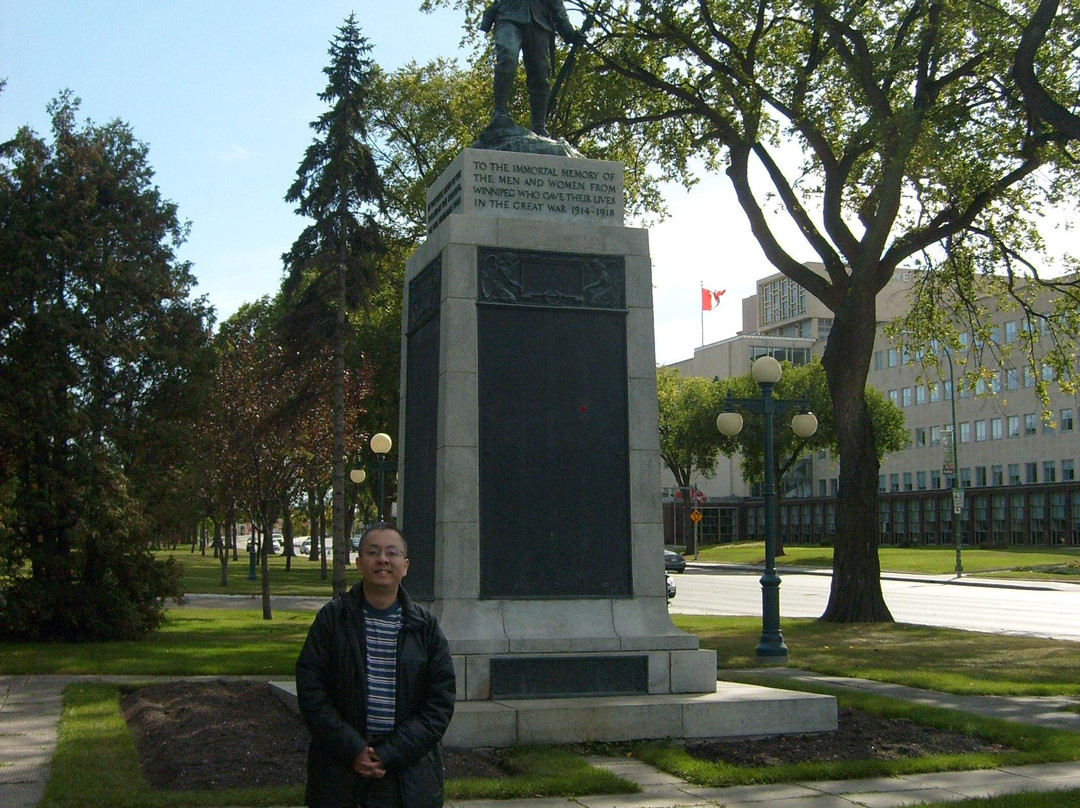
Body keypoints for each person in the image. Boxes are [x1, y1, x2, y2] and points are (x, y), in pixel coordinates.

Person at [296, 523, 456, 808]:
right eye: (373, 552)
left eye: (392, 552)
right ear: (359, 563)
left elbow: (439, 702)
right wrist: (354, 749)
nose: (382, 559)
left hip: (408, 780)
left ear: (404, 565)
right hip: (339, 776)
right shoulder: (332, 621)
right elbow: (311, 690)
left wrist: (390, 752)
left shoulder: (425, 628)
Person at [481, 0, 578, 136]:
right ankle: (500, 113)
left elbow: (556, 4)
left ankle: (539, 126)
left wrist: (569, 33)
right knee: (507, 58)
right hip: (508, 15)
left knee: (541, 74)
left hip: (539, 21)